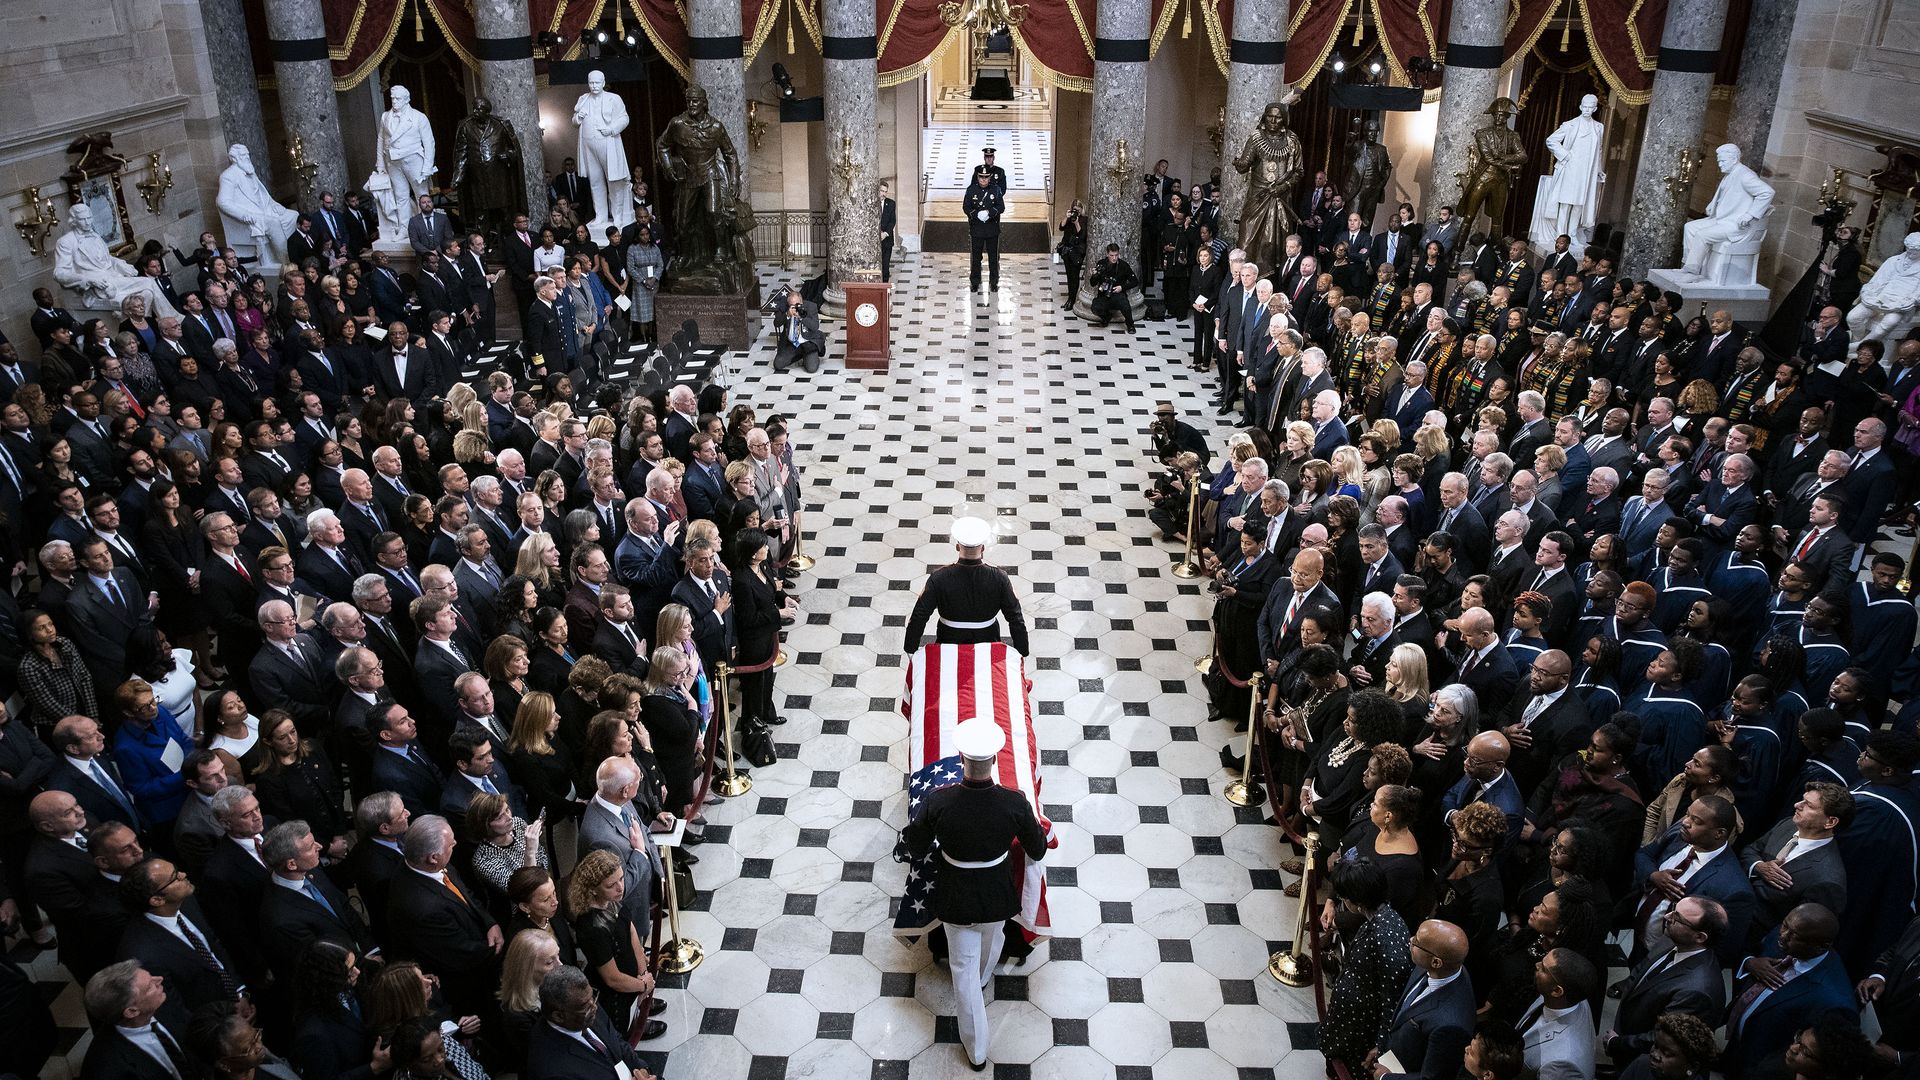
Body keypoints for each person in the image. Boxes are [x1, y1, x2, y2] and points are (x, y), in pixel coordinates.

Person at [901, 718, 1048, 1071]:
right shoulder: (1014, 802)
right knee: (992, 936)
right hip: (997, 894)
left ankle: (977, 1049)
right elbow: (1038, 849)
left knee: (961, 967)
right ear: (995, 761)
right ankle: (983, 978)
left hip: (956, 897)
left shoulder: (940, 801)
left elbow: (916, 845)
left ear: (961, 759)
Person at [902, 516, 1029, 655]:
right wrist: (1021, 652)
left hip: (948, 642)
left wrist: (911, 649)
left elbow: (919, 617)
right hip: (987, 642)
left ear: (957, 547)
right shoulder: (1000, 578)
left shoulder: (938, 578)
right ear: (983, 548)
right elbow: (1015, 618)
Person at [964, 168, 1004, 294]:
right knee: (976, 258)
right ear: (977, 177)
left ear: (990, 177)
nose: (983, 179)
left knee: (993, 258)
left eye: (986, 177)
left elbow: (1001, 207)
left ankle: (994, 282)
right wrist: (976, 214)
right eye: (981, 177)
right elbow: (966, 206)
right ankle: (975, 282)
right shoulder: (971, 190)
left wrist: (989, 212)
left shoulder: (996, 190)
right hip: (977, 229)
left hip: (992, 229)